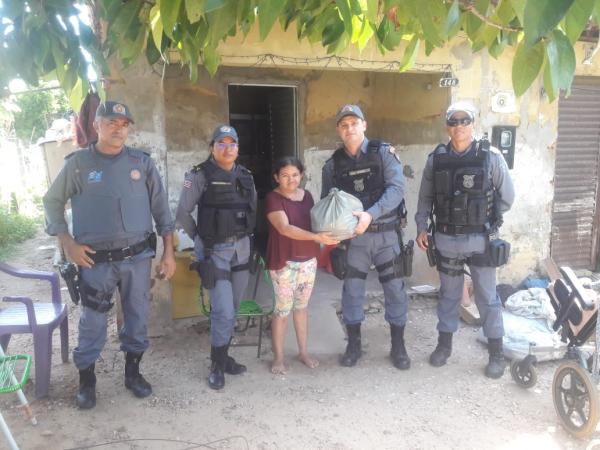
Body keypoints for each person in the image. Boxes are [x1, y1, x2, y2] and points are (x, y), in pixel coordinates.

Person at [43, 101, 176, 409]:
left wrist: (168, 252)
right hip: (95, 261)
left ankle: (133, 373)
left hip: (137, 259)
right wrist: (68, 243)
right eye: (112, 122)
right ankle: (87, 380)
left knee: (138, 316)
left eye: (124, 123)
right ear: (97, 125)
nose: (119, 128)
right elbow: (52, 201)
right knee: (93, 321)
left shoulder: (141, 163)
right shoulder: (78, 164)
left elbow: (162, 211)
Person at [414, 100, 515, 379]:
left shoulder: (490, 156)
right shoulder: (436, 159)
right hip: (446, 239)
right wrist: (422, 226)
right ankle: (444, 346)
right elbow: (425, 197)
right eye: (454, 121)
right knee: (448, 295)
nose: (459, 126)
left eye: (465, 120)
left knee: (486, 296)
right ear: (448, 125)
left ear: (473, 123)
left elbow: (507, 197)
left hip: (481, 239)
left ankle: (496, 352)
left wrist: (486, 217)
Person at [321, 104, 411, 370]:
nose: (349, 128)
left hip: (385, 235)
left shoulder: (383, 153)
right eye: (343, 125)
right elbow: (329, 202)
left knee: (395, 289)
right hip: (354, 241)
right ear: (339, 130)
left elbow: (396, 190)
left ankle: (398, 345)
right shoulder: (332, 164)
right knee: (352, 292)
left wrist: (370, 214)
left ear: (364, 125)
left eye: (354, 123)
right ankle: (354, 345)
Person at [176, 124, 256, 390]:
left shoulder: (246, 175)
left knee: (232, 309)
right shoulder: (198, 175)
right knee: (222, 310)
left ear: (237, 148)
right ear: (212, 147)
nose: (227, 148)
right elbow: (183, 214)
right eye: (221, 143)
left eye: (231, 143)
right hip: (214, 253)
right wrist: (201, 238)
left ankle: (223, 356)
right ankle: (217, 366)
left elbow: (252, 211)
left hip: (242, 250)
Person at [266, 157, 339, 374]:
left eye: (295, 175)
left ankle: (303, 352)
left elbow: (314, 221)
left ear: (302, 175)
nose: (291, 180)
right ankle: (278, 357)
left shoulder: (306, 195)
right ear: (276, 177)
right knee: (282, 311)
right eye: (285, 176)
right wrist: (317, 237)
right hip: (283, 261)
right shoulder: (272, 198)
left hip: (308, 260)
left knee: (301, 308)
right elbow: (284, 228)